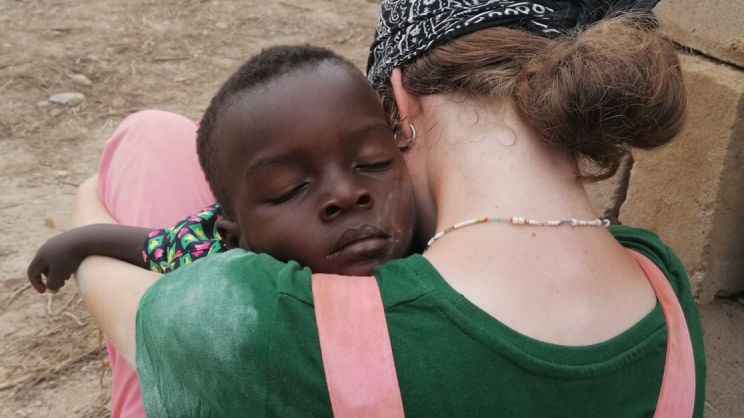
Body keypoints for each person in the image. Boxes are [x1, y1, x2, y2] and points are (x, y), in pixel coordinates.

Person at [65, 1, 707, 417]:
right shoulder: (665, 288)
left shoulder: (280, 325)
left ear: (400, 103)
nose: (348, 195)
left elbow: (127, 300)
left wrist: (84, 207)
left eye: (374, 158)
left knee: (149, 139)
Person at [27, 44, 415, 294]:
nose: (347, 194)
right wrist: (83, 241)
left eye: (371, 161)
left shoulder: (448, 241)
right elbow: (161, 246)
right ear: (234, 237)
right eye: (289, 188)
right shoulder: (233, 281)